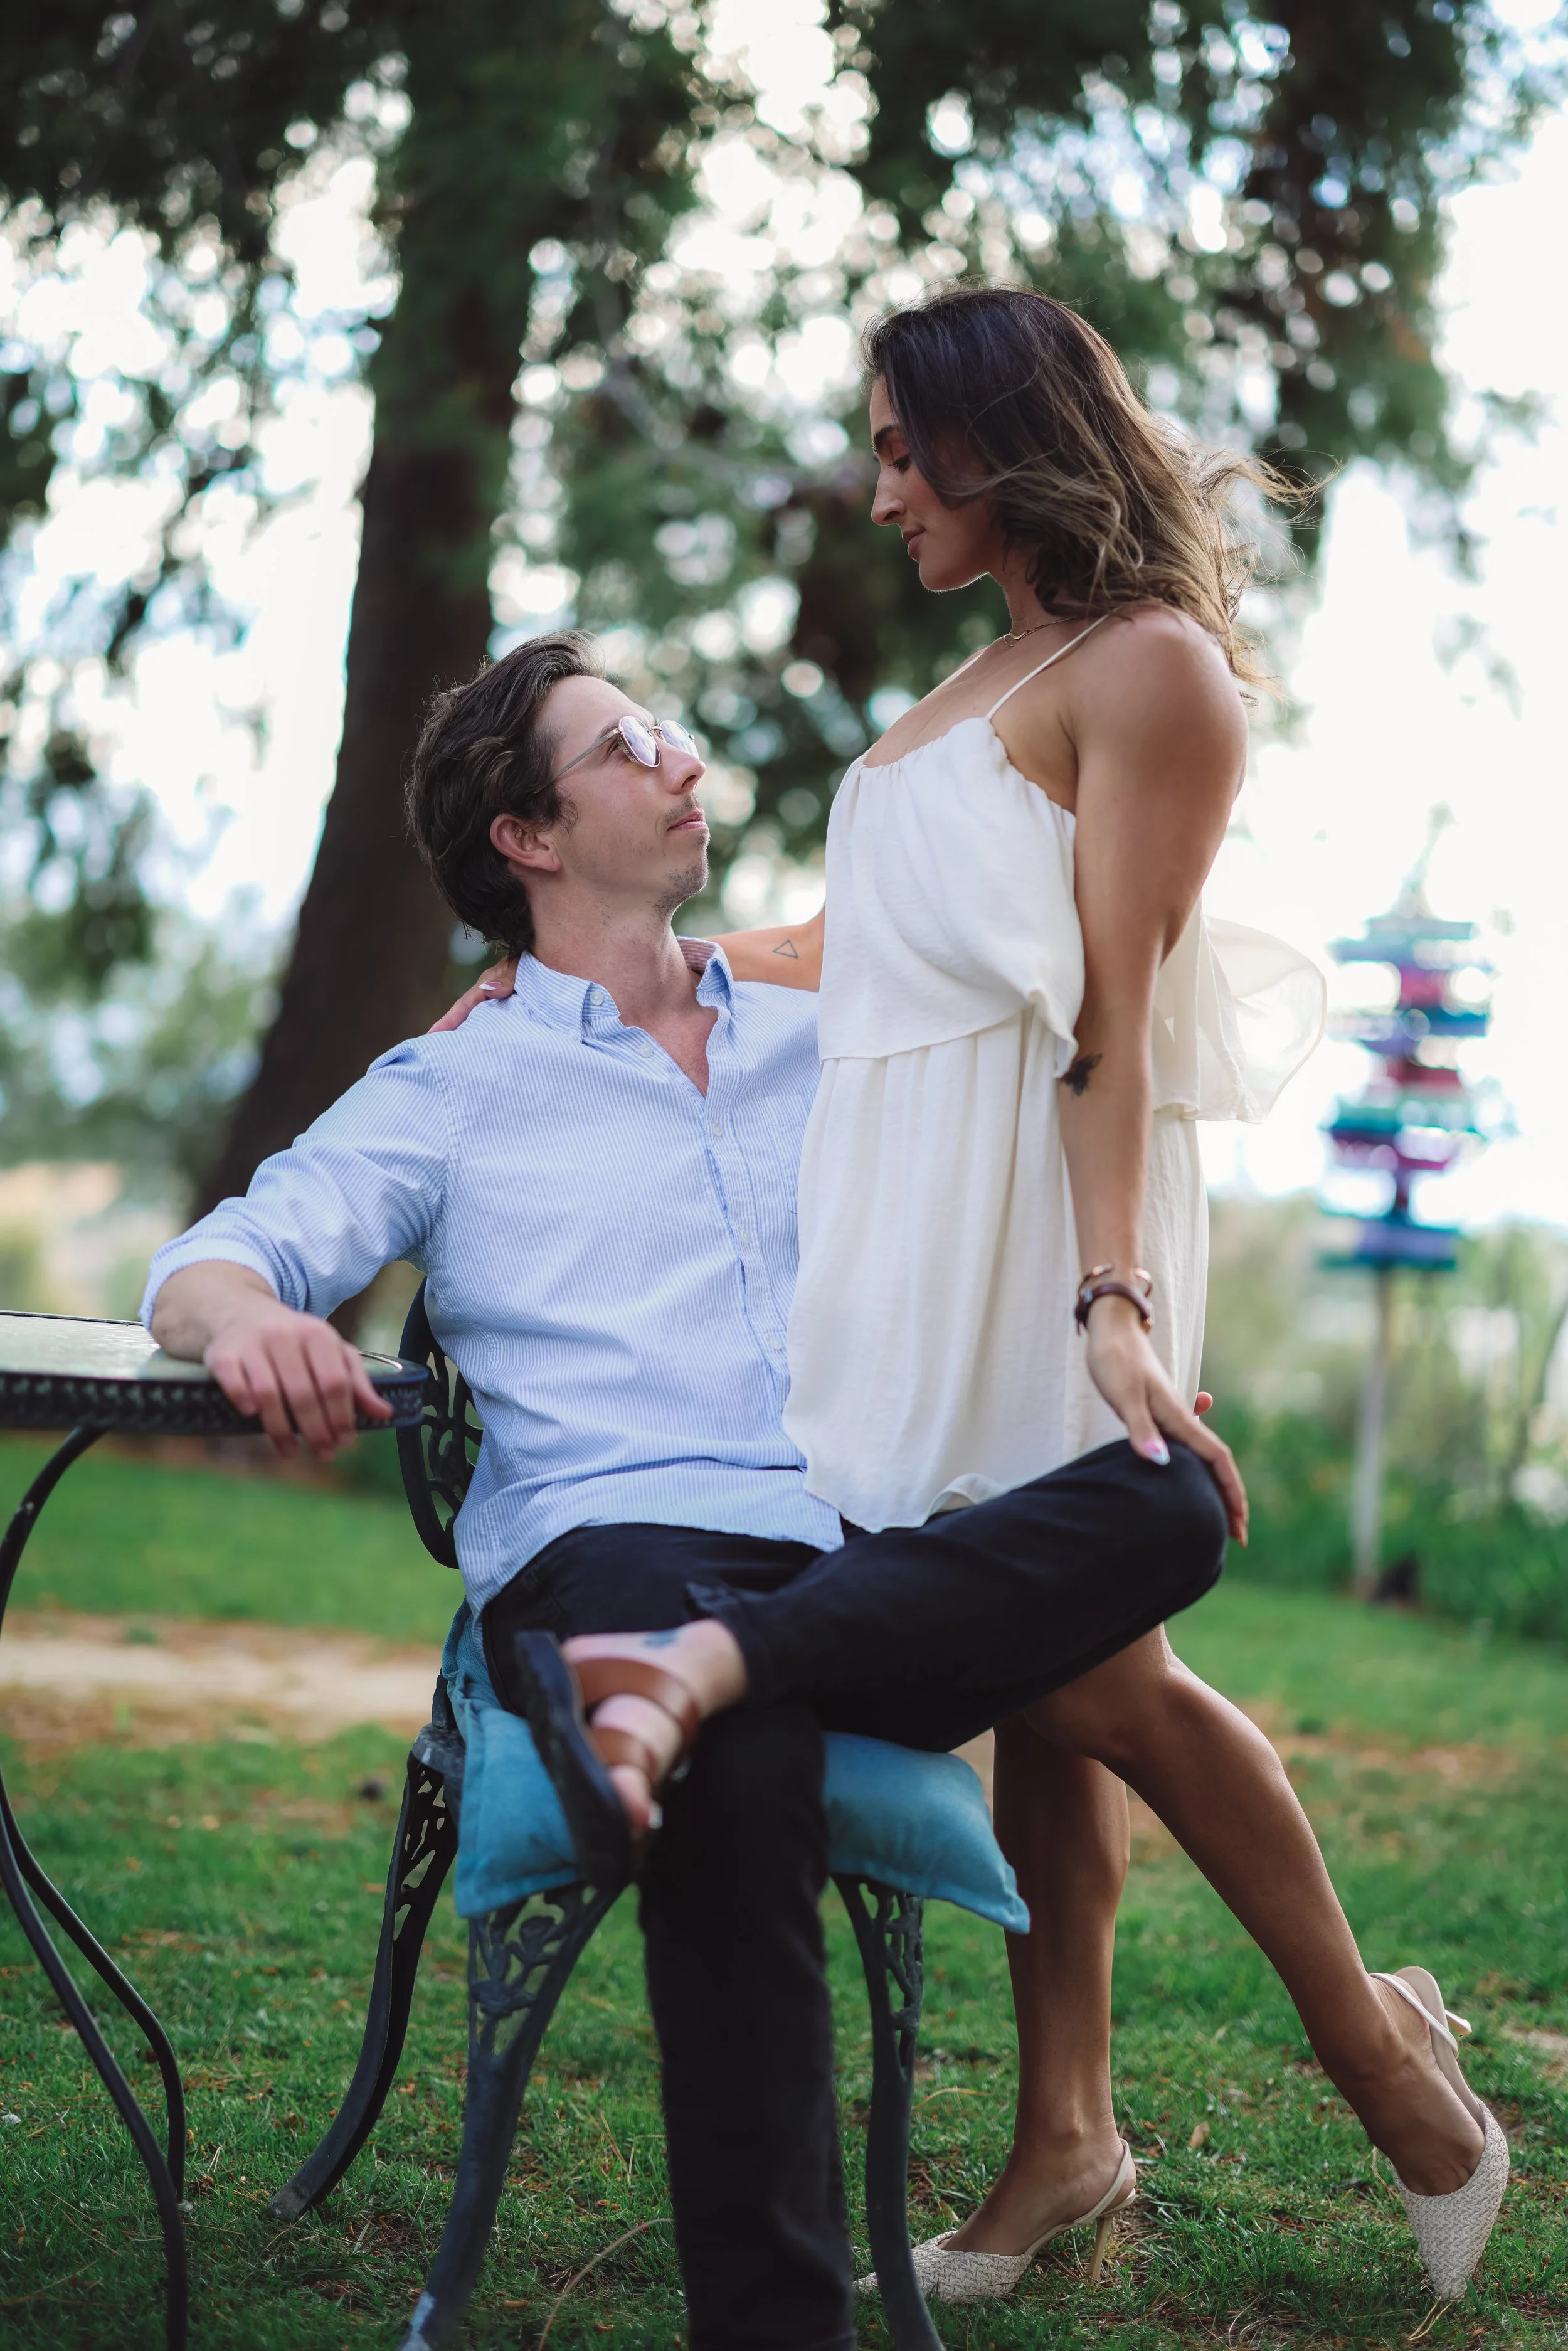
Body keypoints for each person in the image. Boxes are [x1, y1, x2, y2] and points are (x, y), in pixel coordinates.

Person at [441, 288, 1506, 2307]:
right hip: (912, 1225)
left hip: (1048, 1214)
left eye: (899, 449)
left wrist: (1110, 1293)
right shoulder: (987, 671)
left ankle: (1385, 2065)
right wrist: (606, 976)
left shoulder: (1155, 671)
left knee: (1091, 1672)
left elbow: (1111, 1006)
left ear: (996, 436)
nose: (876, 488)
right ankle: (1067, 2134)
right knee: (1046, 1674)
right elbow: (871, 936)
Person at [141, 634, 1229, 2351]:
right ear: (529, 834)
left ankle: (713, 1675)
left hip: (843, 1552)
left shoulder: (833, 1032)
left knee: (1172, 1501)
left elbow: (1049, 1022)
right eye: (625, 743)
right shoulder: (455, 1080)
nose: (681, 760)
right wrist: (259, 1322)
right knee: (744, 1743)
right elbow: (215, 1257)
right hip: (609, 1549)